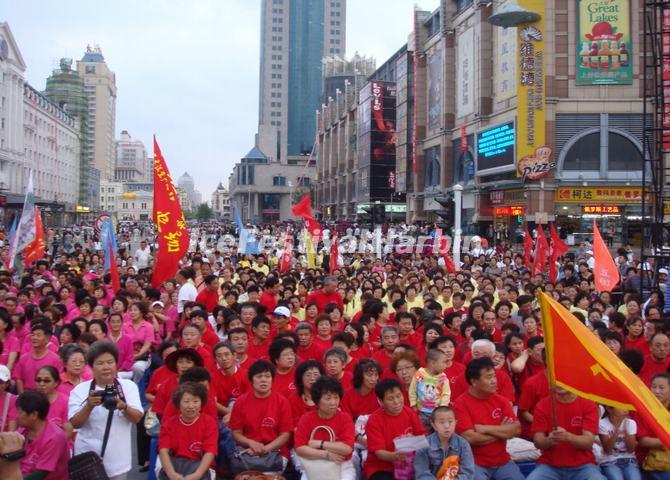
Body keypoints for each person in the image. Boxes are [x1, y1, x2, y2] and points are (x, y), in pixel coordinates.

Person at [69, 341, 143, 480]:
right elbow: (75, 424)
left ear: (116, 364)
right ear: (91, 366)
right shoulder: (80, 390)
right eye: (100, 363)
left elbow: (137, 418)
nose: (106, 367)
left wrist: (123, 406)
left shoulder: (128, 387)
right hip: (88, 460)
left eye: (110, 362)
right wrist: (89, 405)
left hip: (118, 461)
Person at [453, 357, 524, 480]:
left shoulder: (501, 401)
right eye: (488, 377)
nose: (494, 381)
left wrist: (485, 429)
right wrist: (502, 431)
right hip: (475, 462)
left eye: (494, 376)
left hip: (503, 461)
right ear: (474, 381)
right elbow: (470, 438)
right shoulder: (461, 404)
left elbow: (516, 429)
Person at [527, 386, 606, 480]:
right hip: (549, 466)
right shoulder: (543, 405)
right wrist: (550, 440)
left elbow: (588, 442)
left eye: (562, 379)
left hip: (584, 466)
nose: (558, 383)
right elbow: (538, 442)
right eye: (555, 379)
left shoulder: (588, 405)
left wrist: (568, 437)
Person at [229, 360, 292, 473]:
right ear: (251, 380)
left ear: (272, 379)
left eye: (267, 376)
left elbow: (285, 435)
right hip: (247, 452)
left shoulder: (282, 402)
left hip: (275, 453)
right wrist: (250, 443)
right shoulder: (241, 402)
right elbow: (236, 433)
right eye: (259, 376)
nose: (263, 380)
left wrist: (264, 449)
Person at [294, 376, 356, 480]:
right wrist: (325, 454)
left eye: (336, 397)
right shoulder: (306, 419)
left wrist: (320, 443)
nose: (333, 402)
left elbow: (347, 449)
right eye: (328, 398)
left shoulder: (345, 418)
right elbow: (300, 449)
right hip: (314, 463)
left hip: (342, 464)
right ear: (317, 401)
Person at [363, 378, 426, 480]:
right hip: (382, 467)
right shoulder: (374, 420)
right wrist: (395, 456)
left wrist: (414, 439)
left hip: (410, 463)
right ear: (380, 401)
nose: (397, 402)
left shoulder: (409, 413)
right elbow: (379, 453)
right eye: (390, 399)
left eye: (398, 396)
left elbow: (423, 437)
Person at [158, 382, 218, 480]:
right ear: (178, 403)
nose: (191, 406)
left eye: (195, 401)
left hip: (200, 467)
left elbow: (210, 452)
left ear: (201, 403)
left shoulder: (209, 422)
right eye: (186, 401)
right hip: (174, 465)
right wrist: (171, 474)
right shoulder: (169, 423)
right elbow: (163, 450)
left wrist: (197, 475)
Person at [15, 390, 70, 479]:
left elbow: (40, 474)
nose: (16, 416)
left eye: (20, 412)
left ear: (34, 415)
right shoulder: (23, 430)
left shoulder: (55, 438)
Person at [414, 406, 476, 480]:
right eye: (441, 422)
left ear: (455, 422)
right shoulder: (424, 445)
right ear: (433, 425)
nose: (446, 426)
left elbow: (468, 473)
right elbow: (422, 474)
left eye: (450, 422)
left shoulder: (463, 445)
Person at [13, 321, 62, 393]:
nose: (34, 338)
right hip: (28, 395)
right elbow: (19, 378)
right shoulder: (24, 358)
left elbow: (58, 380)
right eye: (33, 335)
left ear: (47, 339)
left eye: (38, 335)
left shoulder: (55, 359)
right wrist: (22, 395)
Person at [409, 348, 451, 432]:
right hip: (422, 412)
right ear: (433, 363)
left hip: (437, 413)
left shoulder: (443, 378)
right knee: (422, 432)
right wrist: (413, 404)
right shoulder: (419, 374)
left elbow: (446, 394)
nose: (445, 366)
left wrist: (442, 408)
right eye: (443, 362)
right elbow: (412, 390)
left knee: (438, 433)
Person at [598, 405, 640, 480]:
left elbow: (631, 449)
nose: (626, 410)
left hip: (629, 460)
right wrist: (616, 430)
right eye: (622, 406)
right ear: (609, 409)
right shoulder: (602, 424)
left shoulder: (631, 423)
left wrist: (626, 430)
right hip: (609, 461)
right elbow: (607, 450)